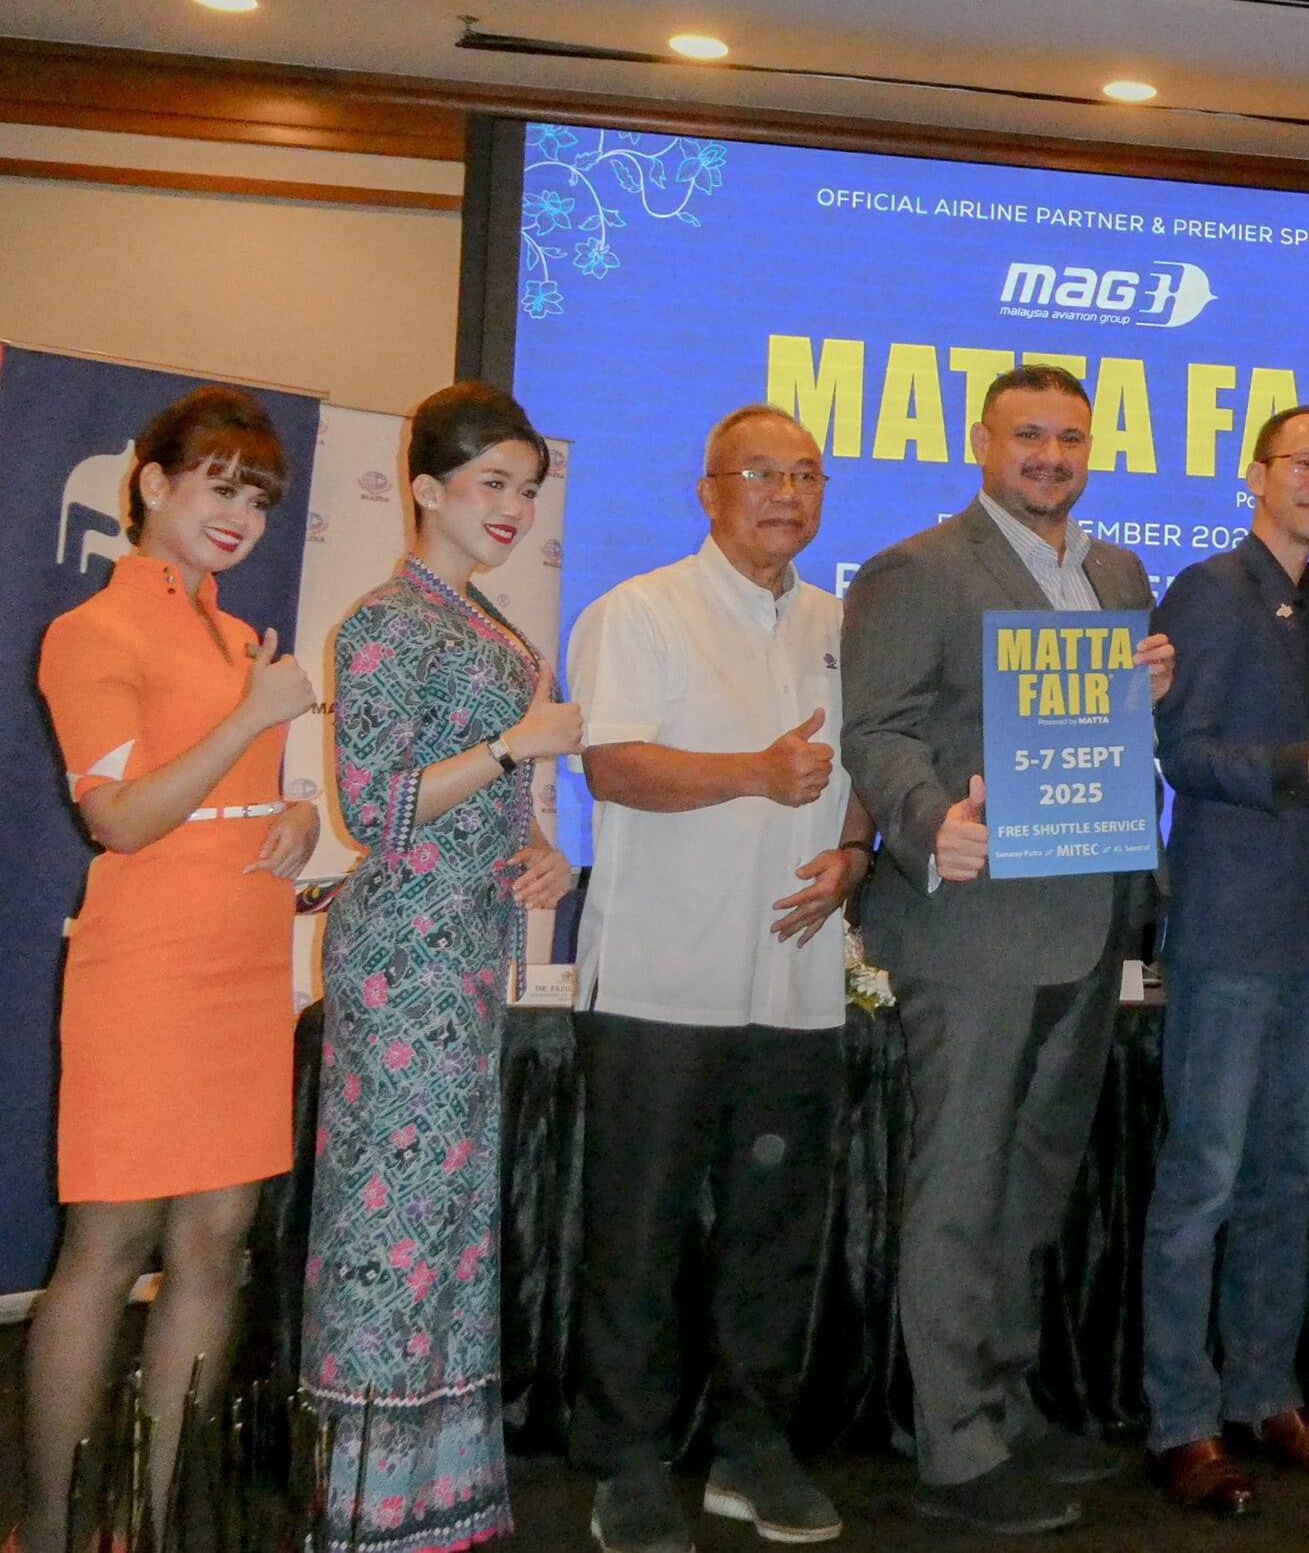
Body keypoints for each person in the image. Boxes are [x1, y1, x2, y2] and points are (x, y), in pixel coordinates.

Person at [839, 364, 1174, 1536]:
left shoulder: (1117, 574)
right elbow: (876, 730)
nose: (1050, 455)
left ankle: (1004, 1400)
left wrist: (1149, 688)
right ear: (981, 440)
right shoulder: (917, 569)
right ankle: (954, 1445)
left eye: (1070, 437)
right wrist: (932, 819)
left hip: (1087, 918)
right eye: (1028, 433)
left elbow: (1102, 735)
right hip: (971, 926)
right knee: (960, 1186)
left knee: (1030, 1183)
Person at [565, 405, 875, 1553]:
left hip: (795, 982)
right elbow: (613, 765)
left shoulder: (843, 622)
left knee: (774, 1233)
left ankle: (751, 1448)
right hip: (660, 982)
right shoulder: (637, 610)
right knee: (637, 1237)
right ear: (708, 489)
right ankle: (627, 1462)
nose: (786, 493)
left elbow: (862, 770)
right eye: (761, 472)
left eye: (807, 474)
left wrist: (855, 853)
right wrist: (755, 770)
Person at [21, 388, 319, 1553]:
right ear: (152, 483)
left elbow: (240, 793)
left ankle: (150, 1522)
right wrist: (249, 716)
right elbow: (120, 818)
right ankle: (48, 1527)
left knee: (213, 1248)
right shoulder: (93, 631)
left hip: (245, 961)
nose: (239, 515)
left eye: (259, 498)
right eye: (218, 486)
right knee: (105, 1253)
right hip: (148, 968)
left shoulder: (243, 640)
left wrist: (295, 814)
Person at [302, 382, 582, 1551]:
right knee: (391, 1227)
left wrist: (540, 847)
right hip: (401, 959)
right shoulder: (382, 622)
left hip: (463, 952)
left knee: (452, 1226)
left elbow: (478, 797)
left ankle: (432, 1497)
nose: (515, 506)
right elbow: (375, 810)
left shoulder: (488, 622)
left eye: (528, 487)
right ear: (424, 485)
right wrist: (517, 743)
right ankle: (362, 1509)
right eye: (492, 482)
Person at [1142, 406, 1309, 1515]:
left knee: (1286, 1177)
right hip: (1227, 933)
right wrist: (1303, 760)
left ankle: (1265, 1393)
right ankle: (1181, 1420)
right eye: (1305, 463)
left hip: (1307, 936)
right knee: (1201, 1183)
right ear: (1255, 474)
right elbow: (1179, 752)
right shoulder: (1207, 589)